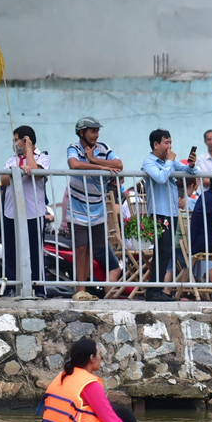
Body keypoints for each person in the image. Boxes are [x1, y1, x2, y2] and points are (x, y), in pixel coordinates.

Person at [40, 338, 156, 422]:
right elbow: (110, 420)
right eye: (99, 354)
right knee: (125, 415)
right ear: (92, 358)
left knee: (118, 413)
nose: (100, 358)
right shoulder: (89, 384)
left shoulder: (63, 376)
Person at [67, 117, 123, 301]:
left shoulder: (104, 148)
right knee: (80, 248)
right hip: (78, 208)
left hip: (98, 209)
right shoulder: (73, 148)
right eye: (92, 131)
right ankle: (80, 289)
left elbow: (119, 165)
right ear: (82, 132)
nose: (96, 134)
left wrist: (92, 158)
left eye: (97, 131)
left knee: (92, 249)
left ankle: (86, 288)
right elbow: (74, 164)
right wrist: (97, 165)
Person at [142, 128, 197, 301]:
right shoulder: (149, 162)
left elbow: (189, 172)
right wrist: (170, 161)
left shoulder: (169, 162)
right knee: (162, 250)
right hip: (159, 213)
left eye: (170, 142)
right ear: (156, 144)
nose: (169, 146)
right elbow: (160, 177)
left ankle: (156, 291)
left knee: (165, 252)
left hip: (171, 213)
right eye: (166, 143)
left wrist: (192, 165)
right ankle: (153, 291)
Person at [0, 125, 49, 297]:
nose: (14, 144)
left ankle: (38, 289)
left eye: (16, 140)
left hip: (33, 212)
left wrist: (28, 152)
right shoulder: (12, 160)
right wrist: (19, 170)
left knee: (35, 252)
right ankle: (11, 287)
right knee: (10, 252)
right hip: (11, 212)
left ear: (26, 139)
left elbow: (36, 172)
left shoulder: (42, 157)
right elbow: (4, 180)